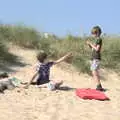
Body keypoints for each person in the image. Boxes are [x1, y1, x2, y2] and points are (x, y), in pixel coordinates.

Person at [86, 26, 104, 91]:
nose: (93, 35)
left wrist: (90, 44)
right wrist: (89, 45)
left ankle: (99, 86)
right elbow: (93, 49)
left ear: (97, 33)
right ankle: (99, 85)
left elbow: (97, 49)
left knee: (94, 72)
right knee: (94, 72)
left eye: (93, 33)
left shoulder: (99, 39)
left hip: (96, 57)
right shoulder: (97, 40)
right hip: (94, 57)